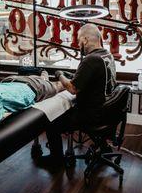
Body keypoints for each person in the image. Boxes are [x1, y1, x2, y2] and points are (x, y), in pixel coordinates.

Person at [37, 23, 117, 167]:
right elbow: (93, 79)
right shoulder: (107, 55)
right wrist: (75, 76)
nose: (79, 44)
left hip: (91, 115)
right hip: (106, 111)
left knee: (51, 122)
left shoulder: (90, 60)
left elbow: (73, 88)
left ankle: (56, 160)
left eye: (79, 40)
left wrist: (60, 74)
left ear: (85, 39)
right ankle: (104, 147)